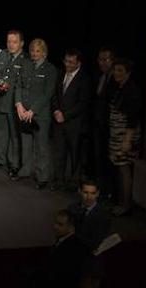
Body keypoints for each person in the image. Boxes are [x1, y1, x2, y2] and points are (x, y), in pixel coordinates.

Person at [15, 38, 58, 188]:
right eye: (32, 50)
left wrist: (32, 110)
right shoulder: (26, 65)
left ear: (44, 53)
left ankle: (42, 177)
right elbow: (19, 86)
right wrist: (19, 104)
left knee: (41, 147)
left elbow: (47, 94)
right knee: (26, 144)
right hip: (23, 113)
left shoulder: (50, 69)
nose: (34, 53)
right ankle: (25, 170)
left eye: (38, 51)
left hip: (40, 115)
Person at [0, 30, 29, 178]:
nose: (11, 45)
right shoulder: (4, 54)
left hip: (16, 103)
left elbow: (25, 84)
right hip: (2, 99)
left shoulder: (26, 60)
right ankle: (0, 159)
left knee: (14, 136)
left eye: (14, 42)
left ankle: (14, 164)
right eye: (9, 41)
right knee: (1, 133)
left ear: (22, 43)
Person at [52, 49, 92, 191]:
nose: (67, 64)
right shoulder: (60, 73)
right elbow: (55, 94)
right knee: (59, 153)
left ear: (78, 63)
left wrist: (66, 115)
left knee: (74, 155)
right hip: (59, 121)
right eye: (66, 61)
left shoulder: (84, 79)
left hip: (74, 124)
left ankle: (74, 183)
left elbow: (82, 103)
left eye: (71, 62)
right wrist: (56, 110)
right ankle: (59, 180)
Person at [107, 58, 142, 216]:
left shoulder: (131, 91)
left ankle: (125, 204)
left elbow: (133, 119)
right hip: (116, 135)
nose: (116, 73)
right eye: (115, 70)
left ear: (128, 72)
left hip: (125, 137)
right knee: (118, 170)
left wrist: (127, 141)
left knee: (124, 171)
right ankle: (119, 200)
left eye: (120, 70)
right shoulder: (118, 87)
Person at [41, 209, 93, 288]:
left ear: (71, 227)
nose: (55, 227)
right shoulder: (62, 240)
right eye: (55, 222)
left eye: (60, 224)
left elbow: (65, 275)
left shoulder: (75, 247)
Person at [88, 48, 116, 196]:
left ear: (112, 60)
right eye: (100, 59)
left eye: (106, 59)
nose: (103, 63)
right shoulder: (98, 77)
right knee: (98, 158)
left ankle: (109, 192)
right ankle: (99, 190)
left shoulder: (115, 79)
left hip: (111, 127)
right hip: (97, 125)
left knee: (109, 161)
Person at [68, 177, 112, 252]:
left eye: (93, 193)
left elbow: (96, 242)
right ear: (80, 191)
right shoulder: (72, 208)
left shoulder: (103, 215)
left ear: (97, 193)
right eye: (85, 192)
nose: (89, 197)